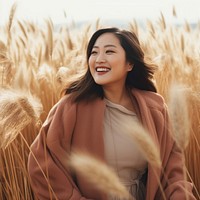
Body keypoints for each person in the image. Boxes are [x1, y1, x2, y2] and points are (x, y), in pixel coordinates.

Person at [28, 27, 196, 200]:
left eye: (109, 51)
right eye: (94, 52)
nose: (99, 59)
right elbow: (42, 164)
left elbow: (173, 170)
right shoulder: (71, 107)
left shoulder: (155, 108)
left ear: (129, 63)